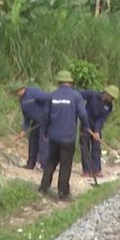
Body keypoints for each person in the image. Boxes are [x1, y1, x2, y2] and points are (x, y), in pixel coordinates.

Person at [40, 70, 90, 200]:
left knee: (51, 161)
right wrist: (86, 127)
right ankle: (63, 193)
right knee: (65, 165)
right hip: (68, 138)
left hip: (54, 136)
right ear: (71, 83)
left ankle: (43, 188)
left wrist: (45, 132)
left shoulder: (52, 96)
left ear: (58, 82)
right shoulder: (76, 96)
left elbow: (45, 116)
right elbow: (83, 115)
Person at [79, 84, 119, 180]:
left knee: (96, 147)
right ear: (107, 93)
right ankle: (87, 171)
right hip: (86, 125)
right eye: (111, 97)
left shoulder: (109, 106)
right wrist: (80, 112)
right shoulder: (92, 94)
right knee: (85, 147)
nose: (112, 99)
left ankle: (97, 169)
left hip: (96, 127)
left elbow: (101, 119)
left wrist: (97, 131)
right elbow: (78, 96)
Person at [14, 84, 50, 170]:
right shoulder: (22, 101)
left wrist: (47, 115)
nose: (17, 94)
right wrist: (24, 130)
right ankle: (30, 164)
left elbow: (48, 98)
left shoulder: (33, 92)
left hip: (44, 120)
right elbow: (26, 117)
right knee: (32, 142)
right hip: (35, 121)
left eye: (18, 91)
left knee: (43, 143)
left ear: (22, 88)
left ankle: (45, 165)